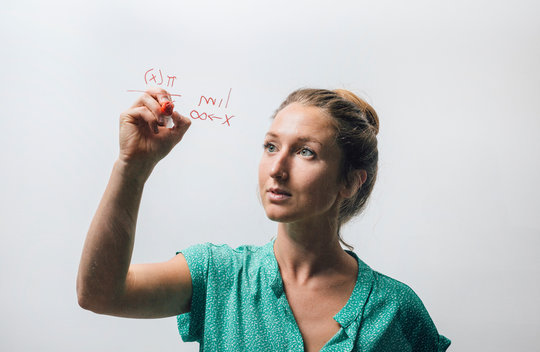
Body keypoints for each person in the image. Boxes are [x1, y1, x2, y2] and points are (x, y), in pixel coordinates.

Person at [77, 87, 451, 351]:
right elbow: (99, 294)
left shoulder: (396, 312)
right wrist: (132, 167)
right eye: (271, 146)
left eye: (306, 152)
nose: (277, 168)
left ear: (350, 181)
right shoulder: (220, 274)